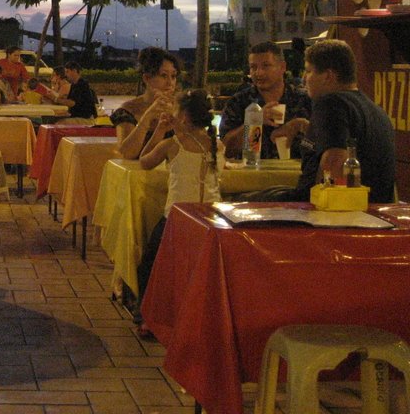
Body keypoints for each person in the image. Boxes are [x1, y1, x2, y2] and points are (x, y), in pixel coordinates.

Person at [134, 89, 222, 332]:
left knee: (150, 266)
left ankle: (147, 318)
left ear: (183, 116)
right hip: (211, 217)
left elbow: (144, 161)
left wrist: (161, 131)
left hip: (178, 217)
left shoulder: (172, 144)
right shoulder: (217, 144)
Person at [271, 39, 395, 203]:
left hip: (340, 214)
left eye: (308, 71)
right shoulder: (374, 109)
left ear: (328, 76)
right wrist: (304, 125)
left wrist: (312, 213)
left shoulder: (330, 103)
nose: (303, 79)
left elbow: (335, 164)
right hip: (374, 210)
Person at [219, 41, 312, 161]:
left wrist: (301, 127)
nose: (259, 73)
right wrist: (254, 121)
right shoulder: (239, 102)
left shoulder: (304, 100)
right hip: (252, 177)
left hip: (298, 176)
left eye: (266, 66)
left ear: (282, 67)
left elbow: (321, 146)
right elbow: (226, 150)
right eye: (253, 67)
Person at [111, 47, 180, 160]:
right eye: (163, 75)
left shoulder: (180, 108)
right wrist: (148, 116)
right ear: (147, 78)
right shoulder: (128, 110)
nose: (170, 83)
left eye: (173, 76)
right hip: (137, 175)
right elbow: (126, 154)